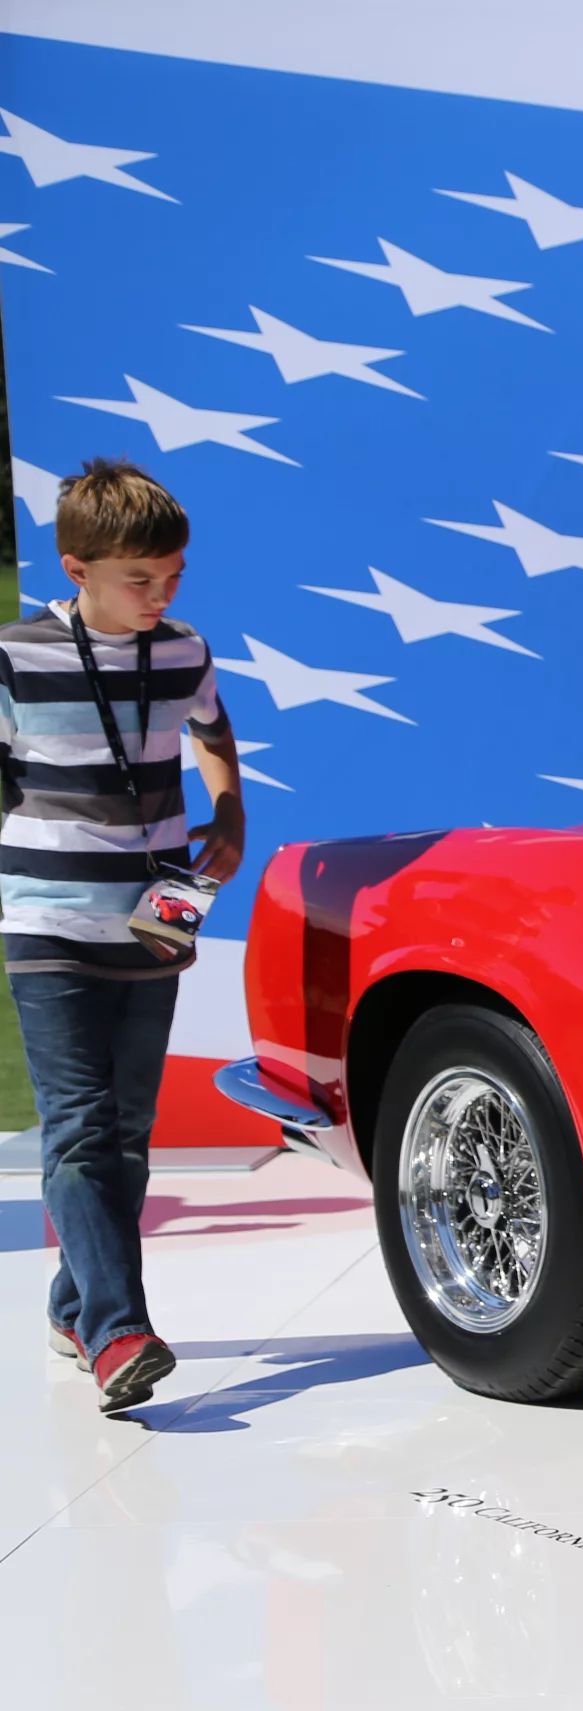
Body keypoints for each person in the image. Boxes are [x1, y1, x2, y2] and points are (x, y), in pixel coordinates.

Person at [2, 460, 246, 1412]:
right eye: (140, 579)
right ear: (76, 569)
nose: (161, 596)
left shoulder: (184, 649)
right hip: (47, 918)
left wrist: (230, 812)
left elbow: (213, 729)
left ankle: (74, 1307)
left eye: (173, 576)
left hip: (159, 914)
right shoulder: (15, 657)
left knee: (131, 1133)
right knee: (79, 1127)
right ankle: (119, 1333)